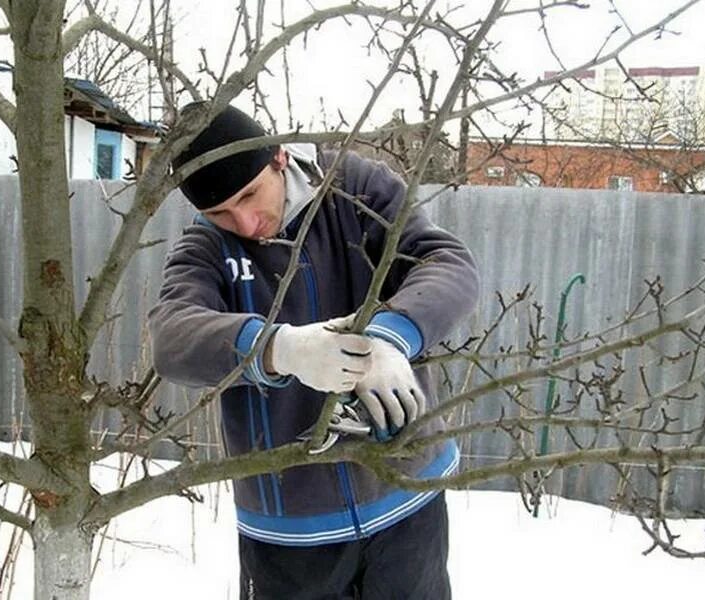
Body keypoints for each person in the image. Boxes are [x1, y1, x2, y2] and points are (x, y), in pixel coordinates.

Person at [148, 102, 479, 600]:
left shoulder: (354, 189)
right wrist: (281, 349)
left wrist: (392, 336)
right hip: (289, 530)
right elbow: (171, 337)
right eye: (219, 212)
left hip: (406, 496)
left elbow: (446, 262)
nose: (244, 221)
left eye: (250, 195)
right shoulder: (208, 249)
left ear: (279, 158)